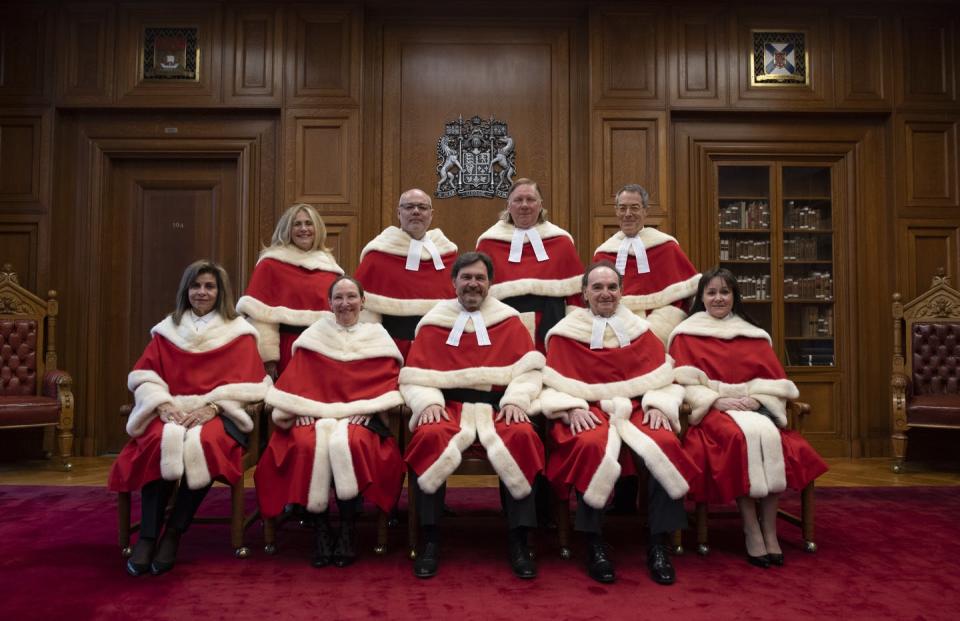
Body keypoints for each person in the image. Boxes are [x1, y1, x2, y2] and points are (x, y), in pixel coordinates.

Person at [539, 261, 701, 585]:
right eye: (597, 287)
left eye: (612, 287)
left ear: (622, 292)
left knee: (665, 443)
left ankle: (658, 542)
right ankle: (594, 540)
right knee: (589, 444)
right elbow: (551, 386)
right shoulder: (564, 334)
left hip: (638, 407)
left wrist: (659, 404)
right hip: (587, 409)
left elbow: (664, 379)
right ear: (584, 293)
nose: (605, 293)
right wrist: (569, 408)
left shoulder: (641, 332)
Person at [108, 260, 271, 576]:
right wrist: (161, 404)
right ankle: (148, 536)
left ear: (220, 291)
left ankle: (174, 533)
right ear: (186, 290)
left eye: (209, 286)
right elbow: (145, 375)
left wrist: (213, 408)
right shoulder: (168, 329)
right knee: (156, 441)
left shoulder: (238, 332)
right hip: (173, 410)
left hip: (219, 414)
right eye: (196, 286)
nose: (202, 292)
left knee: (206, 443)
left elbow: (252, 384)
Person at [668, 267, 829, 568]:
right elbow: (682, 383)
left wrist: (757, 399)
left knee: (772, 441)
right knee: (738, 440)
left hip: (753, 407)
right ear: (701, 297)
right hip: (714, 413)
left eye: (725, 292)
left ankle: (769, 530)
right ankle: (751, 527)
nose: (718, 298)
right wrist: (717, 399)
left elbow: (774, 382)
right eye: (711, 292)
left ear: (735, 297)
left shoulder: (753, 334)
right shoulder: (685, 334)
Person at [401, 251, 546, 579]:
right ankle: (430, 536)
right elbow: (415, 375)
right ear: (453, 282)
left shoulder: (508, 320)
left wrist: (516, 400)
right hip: (448, 406)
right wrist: (428, 402)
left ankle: (519, 537)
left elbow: (530, 371)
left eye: (480, 278)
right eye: (466, 278)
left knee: (523, 435)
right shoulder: (434, 321)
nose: (473, 284)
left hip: (498, 407)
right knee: (429, 435)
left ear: (490, 283)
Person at [254, 276, 405, 568]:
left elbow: (390, 384)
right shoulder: (315, 335)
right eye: (339, 297)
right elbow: (294, 382)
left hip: (361, 419)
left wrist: (372, 408)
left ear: (363, 302)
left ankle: (348, 527)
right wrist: (299, 407)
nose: (345, 303)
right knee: (304, 444)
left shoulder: (378, 337)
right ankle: (321, 527)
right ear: (329, 303)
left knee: (355, 442)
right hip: (314, 416)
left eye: (351, 297)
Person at [476, 178, 583, 352]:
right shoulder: (488, 243)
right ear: (508, 206)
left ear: (540, 205)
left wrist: (574, 331)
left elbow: (576, 296)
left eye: (531, 199)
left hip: (551, 327)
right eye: (518, 200)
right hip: (502, 326)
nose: (524, 205)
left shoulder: (562, 242)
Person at [237, 203, 343, 377]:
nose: (304, 229)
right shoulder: (270, 264)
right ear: (287, 229)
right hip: (287, 349)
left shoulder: (330, 266)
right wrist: (268, 359)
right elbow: (260, 318)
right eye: (297, 224)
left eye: (309, 223)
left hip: (324, 348)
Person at [354, 188, 457, 359]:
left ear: (431, 214)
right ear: (398, 213)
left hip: (440, 347)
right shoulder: (378, 255)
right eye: (409, 207)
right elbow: (365, 312)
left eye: (422, 207)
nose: (416, 211)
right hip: (391, 347)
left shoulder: (447, 255)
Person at [593, 184, 700, 345]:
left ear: (645, 211)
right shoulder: (603, 254)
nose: (628, 214)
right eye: (622, 208)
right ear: (616, 211)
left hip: (661, 331)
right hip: (615, 325)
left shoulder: (668, 248)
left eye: (634, 208)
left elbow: (689, 297)